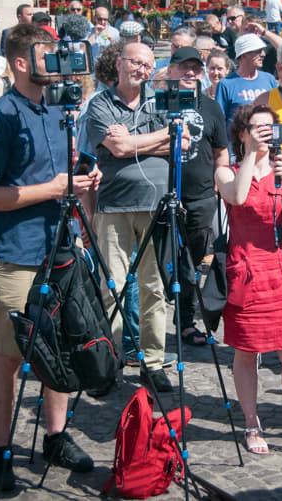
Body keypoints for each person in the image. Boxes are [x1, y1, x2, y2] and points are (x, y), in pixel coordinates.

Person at [0, 23, 101, 491]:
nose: (60, 64)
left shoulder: (60, 110)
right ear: (21, 62)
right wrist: (53, 188)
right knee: (9, 354)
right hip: (16, 253)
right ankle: (0, 449)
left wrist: (84, 178)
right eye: (49, 55)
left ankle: (56, 437)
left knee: (61, 347)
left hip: (61, 248)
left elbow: (64, 174)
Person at [214, 104, 282, 454]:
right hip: (245, 270)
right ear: (242, 133)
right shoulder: (226, 172)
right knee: (246, 352)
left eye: (270, 128)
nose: (265, 134)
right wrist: (251, 157)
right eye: (257, 128)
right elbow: (238, 197)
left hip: (279, 270)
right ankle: (251, 422)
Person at [82, 41, 177, 394]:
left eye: (148, 65)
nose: (142, 70)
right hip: (114, 205)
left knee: (154, 288)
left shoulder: (161, 100)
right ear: (119, 64)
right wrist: (161, 136)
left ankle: (152, 362)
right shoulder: (100, 104)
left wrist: (135, 140)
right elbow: (116, 148)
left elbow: (180, 142)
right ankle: (111, 362)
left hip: (156, 205)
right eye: (136, 62)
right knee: (113, 287)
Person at [163, 46, 230, 346]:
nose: (190, 73)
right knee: (164, 261)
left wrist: (219, 182)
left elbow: (221, 151)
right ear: (171, 70)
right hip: (163, 194)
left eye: (195, 68)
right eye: (183, 67)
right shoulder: (157, 103)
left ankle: (186, 322)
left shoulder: (211, 107)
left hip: (201, 196)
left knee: (191, 263)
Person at [215, 34, 277, 129]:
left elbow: (276, 111)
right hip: (237, 137)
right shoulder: (226, 84)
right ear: (244, 54)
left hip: (266, 136)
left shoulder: (269, 79)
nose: (263, 54)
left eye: (262, 50)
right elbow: (219, 120)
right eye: (258, 51)